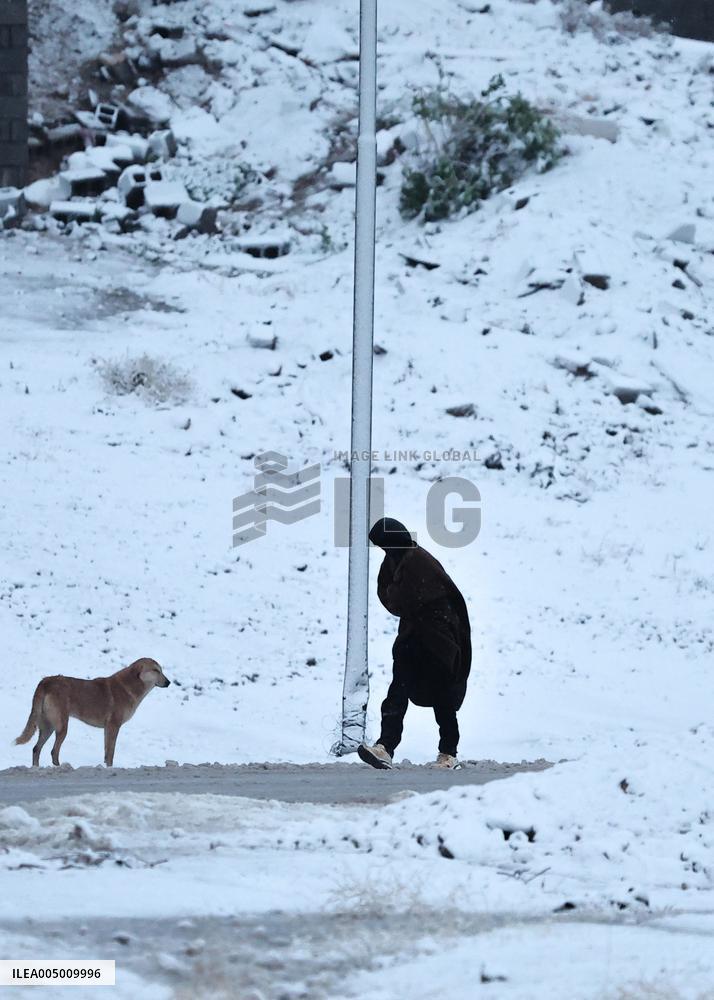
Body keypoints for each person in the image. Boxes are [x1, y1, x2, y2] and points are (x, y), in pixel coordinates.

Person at [359, 517, 472, 770]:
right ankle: (385, 747)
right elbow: (392, 596)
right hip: (413, 637)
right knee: (397, 691)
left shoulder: (419, 563)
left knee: (442, 697)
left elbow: (402, 598)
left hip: (438, 640)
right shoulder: (396, 562)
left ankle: (448, 753)